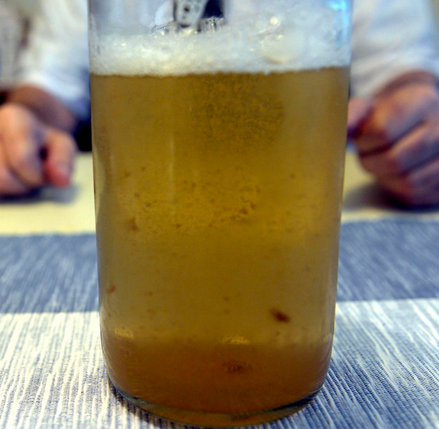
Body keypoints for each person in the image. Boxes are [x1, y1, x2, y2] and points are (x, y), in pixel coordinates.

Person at [2, 0, 439, 206]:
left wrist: (416, 124)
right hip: (148, 209)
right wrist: (26, 120)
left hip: (298, 211)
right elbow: (51, 83)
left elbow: (402, 68)